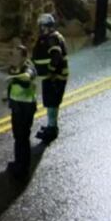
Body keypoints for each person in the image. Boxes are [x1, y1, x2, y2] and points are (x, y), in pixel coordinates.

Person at [32, 13, 69, 143]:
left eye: (40, 26)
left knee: (52, 103)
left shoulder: (52, 38)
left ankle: (52, 129)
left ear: (44, 26)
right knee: (50, 103)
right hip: (52, 77)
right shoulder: (51, 37)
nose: (39, 29)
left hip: (55, 78)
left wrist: (51, 71)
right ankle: (50, 125)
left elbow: (56, 56)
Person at [4, 44, 38, 179]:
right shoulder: (14, 68)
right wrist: (7, 97)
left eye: (16, 56)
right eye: (12, 55)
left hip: (26, 108)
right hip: (17, 107)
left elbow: (27, 77)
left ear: (24, 57)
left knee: (23, 137)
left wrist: (14, 77)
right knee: (18, 137)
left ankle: (23, 168)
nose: (13, 58)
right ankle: (18, 162)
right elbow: (12, 84)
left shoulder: (28, 67)